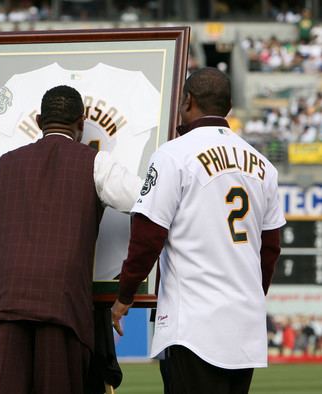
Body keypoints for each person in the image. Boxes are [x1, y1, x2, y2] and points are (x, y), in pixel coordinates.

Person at [0, 85, 142, 393]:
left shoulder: (2, 164)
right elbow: (146, 200)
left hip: (7, 298)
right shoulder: (96, 163)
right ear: (81, 124)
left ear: (39, 120)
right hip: (64, 303)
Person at [111, 67, 286, 394]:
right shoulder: (264, 165)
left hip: (194, 325)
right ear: (229, 106)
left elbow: (147, 236)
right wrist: (248, 297)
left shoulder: (172, 155)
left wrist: (124, 296)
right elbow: (271, 248)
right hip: (244, 327)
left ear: (188, 101)